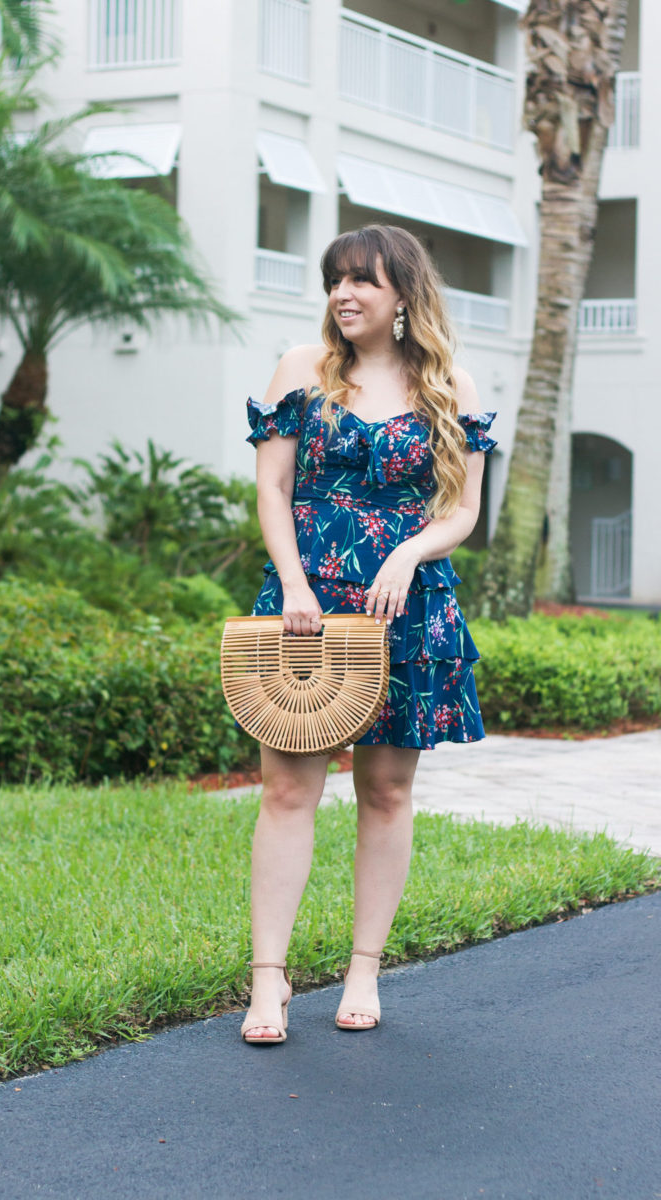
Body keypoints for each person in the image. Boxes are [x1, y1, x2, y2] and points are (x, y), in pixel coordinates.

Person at [240, 224, 497, 1043]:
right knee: (287, 791)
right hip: (303, 604)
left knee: (386, 793)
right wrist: (292, 583)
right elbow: (275, 491)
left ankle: (362, 970)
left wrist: (410, 552)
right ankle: (269, 983)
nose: (343, 295)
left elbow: (462, 510)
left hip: (404, 607)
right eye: (334, 281)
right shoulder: (301, 372)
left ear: (402, 297)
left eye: (363, 281)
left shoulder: (450, 383)